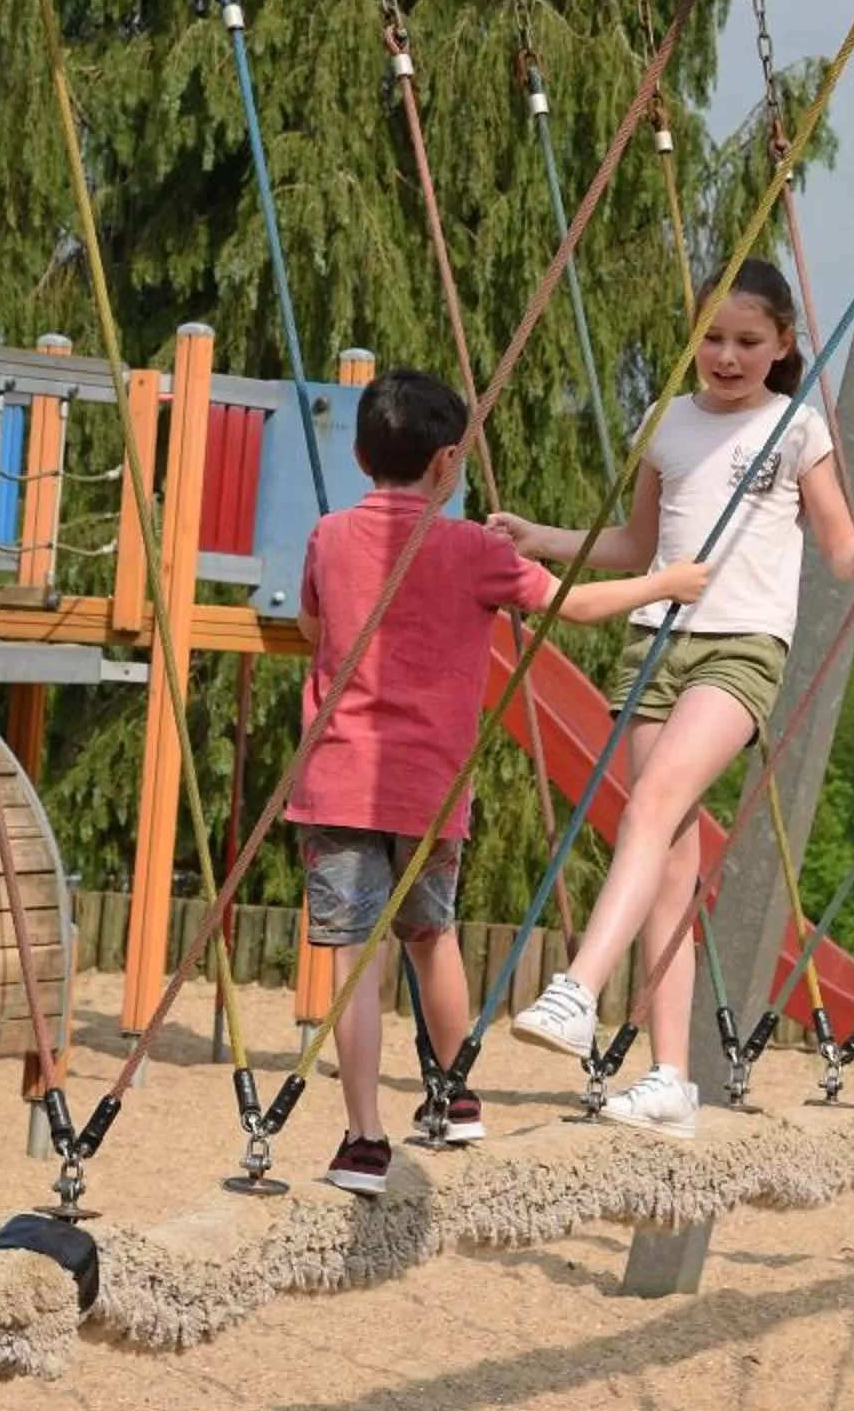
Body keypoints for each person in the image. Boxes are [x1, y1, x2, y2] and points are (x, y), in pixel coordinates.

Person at [495, 258, 854, 1136]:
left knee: (652, 801)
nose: (726, 356)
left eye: (747, 341)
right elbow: (636, 543)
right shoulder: (666, 422)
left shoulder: (795, 428)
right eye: (712, 338)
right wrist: (541, 538)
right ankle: (671, 1078)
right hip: (656, 644)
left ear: (783, 344)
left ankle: (579, 988)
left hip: (743, 646)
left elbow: (836, 544)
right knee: (669, 865)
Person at [292, 366, 710, 1196]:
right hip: (430, 787)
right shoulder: (475, 550)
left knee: (351, 958)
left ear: (362, 457)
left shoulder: (329, 537)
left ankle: (365, 1140)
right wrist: (666, 584)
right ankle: (456, 1095)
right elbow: (574, 606)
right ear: (447, 463)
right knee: (430, 936)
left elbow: (313, 625)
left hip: (338, 778)